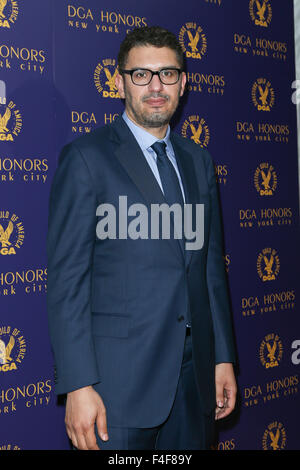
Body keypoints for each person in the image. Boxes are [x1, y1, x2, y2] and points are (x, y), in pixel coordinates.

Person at [46, 26, 237, 451]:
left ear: (183, 83)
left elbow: (209, 271)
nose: (155, 86)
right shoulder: (86, 159)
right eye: (141, 74)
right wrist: (78, 385)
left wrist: (223, 357)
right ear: (119, 82)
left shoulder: (198, 161)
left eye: (168, 74)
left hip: (194, 382)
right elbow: (67, 284)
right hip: (118, 389)